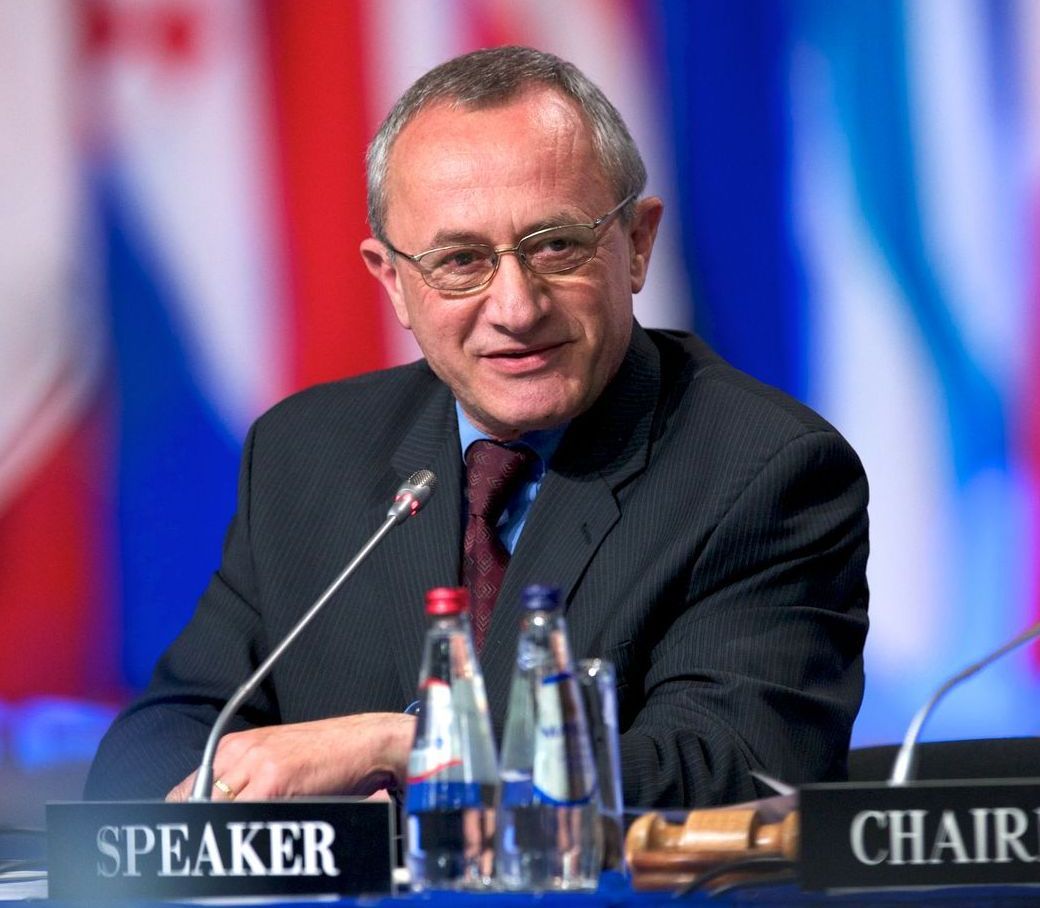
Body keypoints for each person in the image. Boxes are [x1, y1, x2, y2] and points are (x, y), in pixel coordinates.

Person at [85, 46, 868, 809]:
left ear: (636, 244)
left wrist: (408, 748)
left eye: (556, 246)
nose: (517, 308)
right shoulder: (306, 452)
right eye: (461, 261)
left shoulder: (763, 470)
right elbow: (160, 741)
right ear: (392, 280)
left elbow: (730, 771)